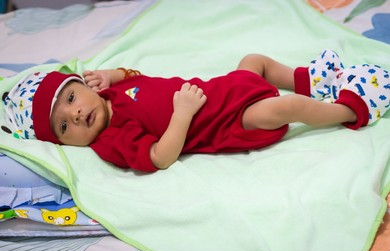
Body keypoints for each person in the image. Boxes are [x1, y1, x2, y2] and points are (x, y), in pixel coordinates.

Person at [3, 49, 390, 172]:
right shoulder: (110, 139)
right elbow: (159, 157)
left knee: (254, 60)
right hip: (225, 121)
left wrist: (112, 72)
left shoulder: (111, 90)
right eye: (64, 128)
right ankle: (347, 110)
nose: (76, 116)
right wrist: (183, 113)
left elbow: (137, 77)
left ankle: (308, 79)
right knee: (286, 107)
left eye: (70, 100)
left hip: (222, 88)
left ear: (82, 85)